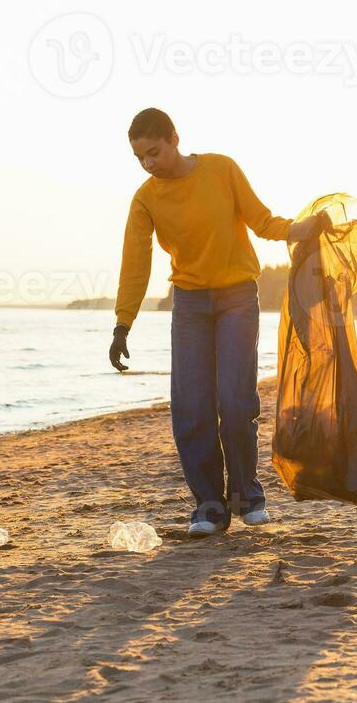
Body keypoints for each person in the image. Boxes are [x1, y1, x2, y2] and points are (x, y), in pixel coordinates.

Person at [109, 108, 331, 536]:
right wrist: (123, 325)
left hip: (236, 298)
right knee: (191, 406)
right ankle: (209, 505)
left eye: (154, 152)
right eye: (140, 158)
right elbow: (134, 263)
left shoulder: (221, 169)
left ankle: (248, 494)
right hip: (190, 304)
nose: (149, 164)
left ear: (174, 138)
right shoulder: (145, 198)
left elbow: (262, 221)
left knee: (234, 400)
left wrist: (302, 229)